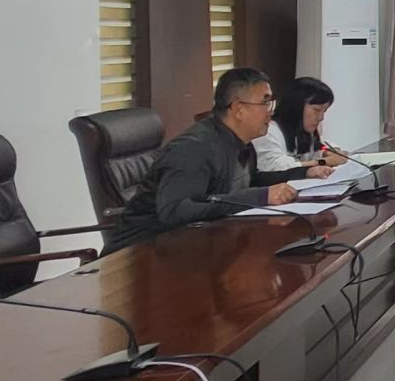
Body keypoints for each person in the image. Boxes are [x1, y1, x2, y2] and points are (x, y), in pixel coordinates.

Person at [107, 68, 314, 251]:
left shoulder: (240, 141)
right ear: (238, 109)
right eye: (265, 103)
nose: (272, 111)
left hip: (199, 244)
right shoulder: (195, 148)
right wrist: (259, 197)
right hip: (142, 255)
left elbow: (250, 181)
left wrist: (304, 173)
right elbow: (176, 210)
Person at [256, 76, 347, 178]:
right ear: (296, 107)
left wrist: (325, 153)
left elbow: (310, 152)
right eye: (316, 110)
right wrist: (323, 161)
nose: (321, 117)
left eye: (324, 111)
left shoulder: (302, 131)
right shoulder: (267, 131)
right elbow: (278, 167)